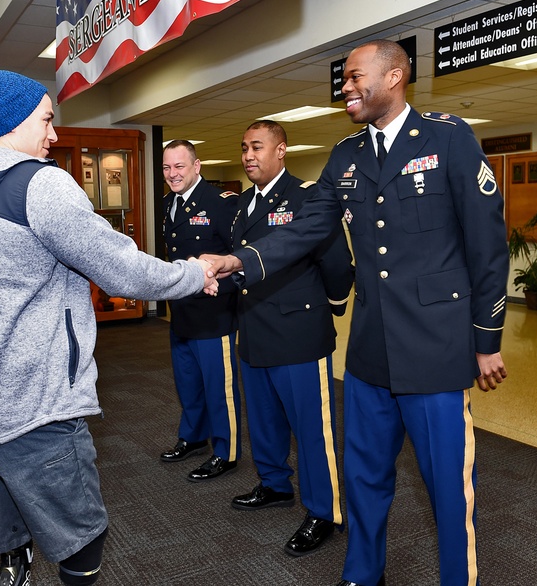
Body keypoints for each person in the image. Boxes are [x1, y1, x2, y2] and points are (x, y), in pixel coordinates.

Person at [203, 40, 509, 586]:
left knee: (448, 486)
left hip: (437, 349)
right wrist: (239, 261)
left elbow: (487, 246)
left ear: (395, 76)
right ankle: (362, 573)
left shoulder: (448, 137)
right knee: (364, 476)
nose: (344, 86)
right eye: (342, 78)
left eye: (353, 76)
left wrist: (486, 339)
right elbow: (305, 227)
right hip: (370, 350)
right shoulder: (346, 155)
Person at [0, 70, 218, 586]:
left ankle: (14, 566)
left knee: (3, 516)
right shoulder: (40, 185)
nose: (53, 134)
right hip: (37, 404)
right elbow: (122, 268)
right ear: (15, 122)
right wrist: (194, 273)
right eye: (47, 120)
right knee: (80, 539)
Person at [228, 120, 354, 558]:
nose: (248, 155)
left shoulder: (307, 197)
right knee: (263, 420)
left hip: (299, 332)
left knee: (311, 429)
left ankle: (325, 510)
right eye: (244, 147)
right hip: (254, 327)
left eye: (257, 147)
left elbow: (337, 261)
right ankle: (274, 483)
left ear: (281, 151)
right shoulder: (244, 203)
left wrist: (335, 304)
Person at [158, 139, 242, 481]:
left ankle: (226, 450)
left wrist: (224, 288)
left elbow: (241, 256)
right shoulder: (168, 204)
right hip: (181, 312)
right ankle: (193, 437)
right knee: (188, 382)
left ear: (197, 166)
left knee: (219, 387)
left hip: (214, 311)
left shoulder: (222, 204)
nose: (172, 174)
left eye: (179, 166)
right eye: (166, 167)